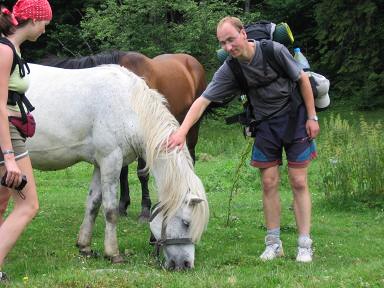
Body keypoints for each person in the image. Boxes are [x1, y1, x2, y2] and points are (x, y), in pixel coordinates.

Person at [168, 16, 319, 263]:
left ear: (243, 34)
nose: (228, 47)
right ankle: (273, 243)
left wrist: (312, 117)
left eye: (231, 39)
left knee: (299, 181)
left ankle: (304, 244)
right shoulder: (231, 68)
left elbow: (302, 79)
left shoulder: (273, 50)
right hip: (265, 125)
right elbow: (203, 101)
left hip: (295, 117)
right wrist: (182, 131)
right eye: (223, 43)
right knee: (269, 182)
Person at [0, 0, 52, 281]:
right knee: (28, 205)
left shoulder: (12, 48)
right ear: (33, 19)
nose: (45, 30)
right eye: (44, 23)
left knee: (3, 200)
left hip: (10, 130)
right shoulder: (4, 50)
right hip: (6, 135)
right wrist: (9, 156)